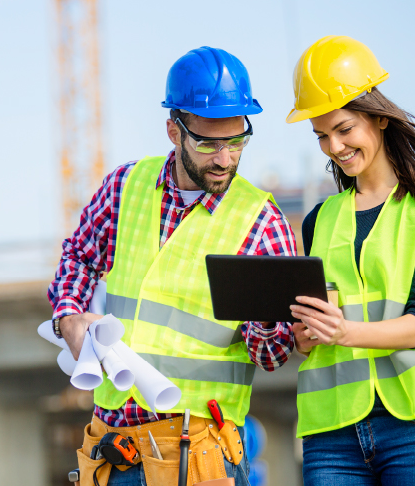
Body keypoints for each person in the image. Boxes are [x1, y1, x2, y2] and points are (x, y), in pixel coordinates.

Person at [48, 46, 297, 486]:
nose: (224, 158)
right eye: (208, 143)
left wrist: (261, 315)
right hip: (113, 449)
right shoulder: (125, 187)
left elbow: (273, 354)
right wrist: (68, 313)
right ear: (173, 130)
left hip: (198, 454)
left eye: (236, 140)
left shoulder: (261, 220)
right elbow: (78, 256)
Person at [286, 35, 415, 486]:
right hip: (331, 434)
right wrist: (307, 335)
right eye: (321, 135)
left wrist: (343, 332)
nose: (334, 147)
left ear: (378, 117)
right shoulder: (320, 220)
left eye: (344, 129)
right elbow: (314, 335)